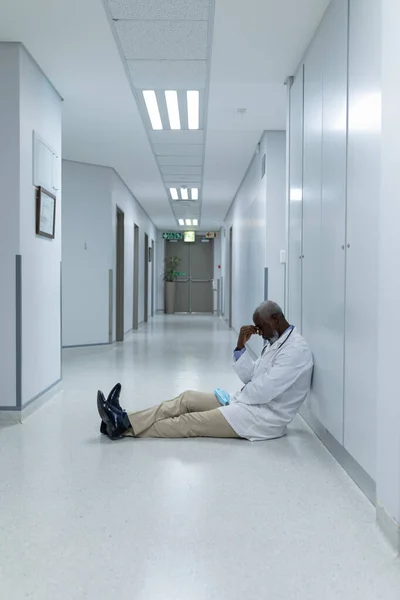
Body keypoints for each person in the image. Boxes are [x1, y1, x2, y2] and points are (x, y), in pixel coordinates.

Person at [97, 300, 313, 442]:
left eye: (261, 327)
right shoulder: (275, 342)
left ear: (275, 319)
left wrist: (234, 401)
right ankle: (123, 418)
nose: (260, 333)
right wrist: (240, 347)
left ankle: (122, 426)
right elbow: (252, 377)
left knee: (189, 422)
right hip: (246, 403)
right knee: (186, 399)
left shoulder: (295, 350)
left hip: (262, 419)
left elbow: (263, 392)